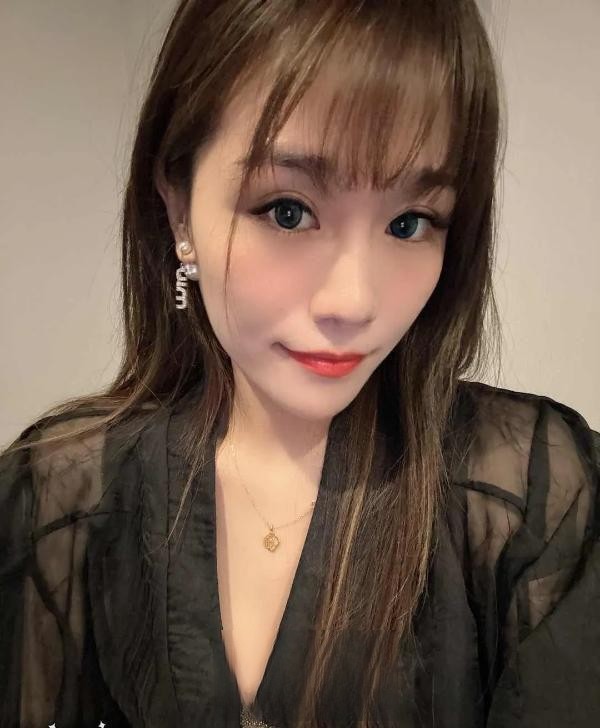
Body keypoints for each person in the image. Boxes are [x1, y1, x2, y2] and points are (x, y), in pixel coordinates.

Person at [1, 0, 599, 726]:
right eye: (288, 211)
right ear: (179, 207)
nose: (354, 302)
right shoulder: (59, 500)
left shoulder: (533, 501)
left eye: (409, 222)